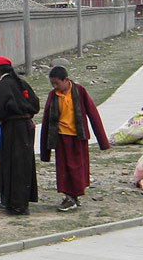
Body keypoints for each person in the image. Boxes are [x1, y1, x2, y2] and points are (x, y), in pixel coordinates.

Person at [40, 66, 110, 212]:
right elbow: (46, 121)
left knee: (77, 168)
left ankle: (74, 197)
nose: (54, 86)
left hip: (78, 137)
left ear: (66, 80)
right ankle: (69, 197)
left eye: (57, 83)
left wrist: (102, 141)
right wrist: (44, 150)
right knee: (63, 169)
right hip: (60, 137)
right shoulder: (53, 96)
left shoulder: (79, 91)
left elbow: (92, 113)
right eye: (52, 84)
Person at [0, 55, 40, 215]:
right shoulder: (22, 83)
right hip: (27, 128)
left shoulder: (2, 86)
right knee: (24, 164)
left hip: (12, 129)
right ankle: (21, 201)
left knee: (13, 165)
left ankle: (15, 204)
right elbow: (35, 104)